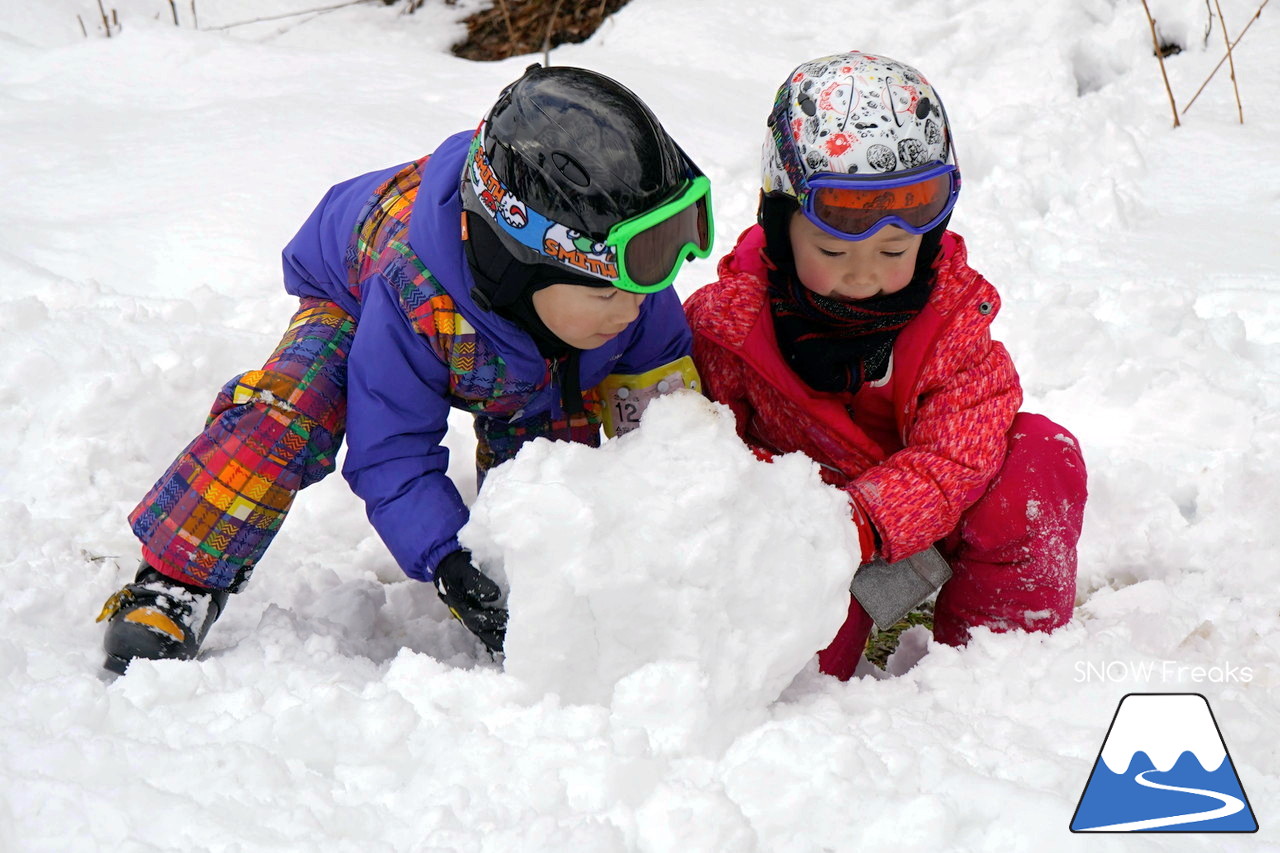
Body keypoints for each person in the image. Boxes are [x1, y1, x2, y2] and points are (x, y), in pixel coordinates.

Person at [96, 64, 714, 673]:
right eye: (609, 295)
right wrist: (447, 558)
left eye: (646, 289)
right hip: (354, 293)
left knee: (554, 442)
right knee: (290, 413)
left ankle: (532, 580)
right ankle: (176, 581)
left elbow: (661, 420)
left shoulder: (626, 279)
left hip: (518, 334)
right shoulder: (411, 295)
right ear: (523, 269)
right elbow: (389, 451)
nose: (635, 309)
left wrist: (677, 515)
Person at [683, 52, 1087, 680]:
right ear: (781, 222)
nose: (865, 272)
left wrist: (868, 519)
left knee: (1038, 457)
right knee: (796, 675)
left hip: (916, 530)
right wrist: (804, 522)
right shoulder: (728, 326)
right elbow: (705, 450)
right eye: (833, 248)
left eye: (894, 248)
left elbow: (957, 456)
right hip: (815, 549)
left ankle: (998, 667)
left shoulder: (953, 325)